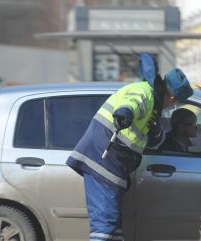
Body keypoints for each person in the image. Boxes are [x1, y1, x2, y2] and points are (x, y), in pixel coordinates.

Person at [66, 54, 193, 241]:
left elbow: (147, 138)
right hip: (102, 162)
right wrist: (124, 114)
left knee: (114, 228)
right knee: (105, 225)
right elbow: (132, 104)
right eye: (175, 104)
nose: (171, 108)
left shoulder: (154, 105)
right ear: (172, 97)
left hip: (113, 165)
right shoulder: (144, 93)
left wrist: (156, 133)